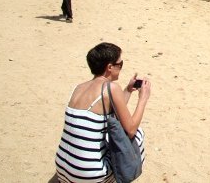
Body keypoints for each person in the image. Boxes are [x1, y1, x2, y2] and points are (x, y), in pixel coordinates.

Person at [55, 42, 151, 182]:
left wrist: (128, 90)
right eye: (120, 64)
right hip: (87, 174)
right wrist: (143, 99)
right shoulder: (111, 88)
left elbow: (110, 108)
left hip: (63, 168)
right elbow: (130, 129)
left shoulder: (78, 88)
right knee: (137, 135)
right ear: (110, 67)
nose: (121, 67)